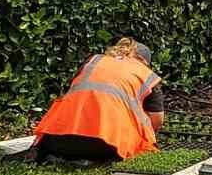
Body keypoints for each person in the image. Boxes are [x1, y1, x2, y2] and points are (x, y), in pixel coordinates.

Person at [32, 37, 164, 163]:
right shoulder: (146, 74)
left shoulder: (93, 62)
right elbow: (156, 120)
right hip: (106, 146)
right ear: (145, 62)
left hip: (56, 140)